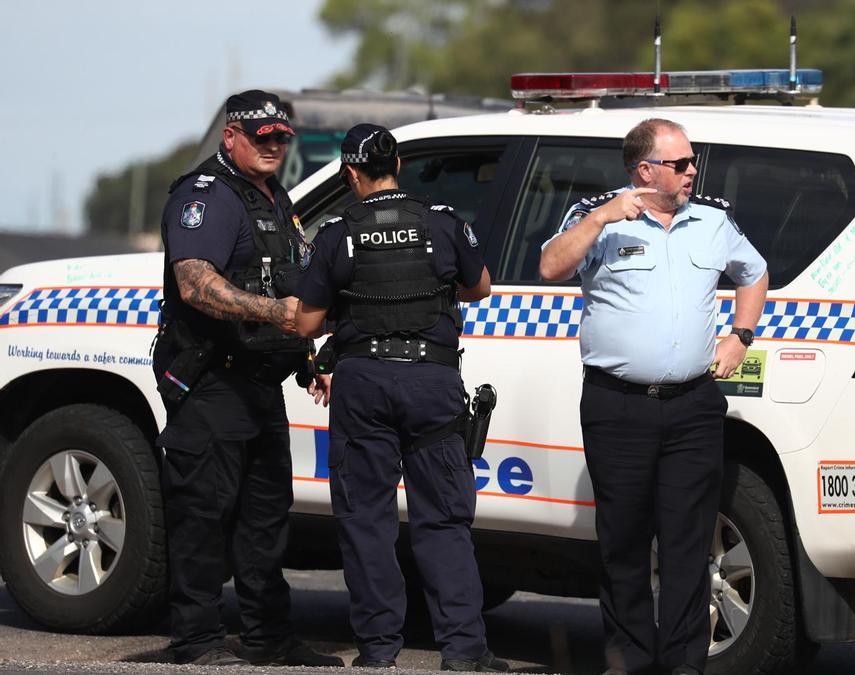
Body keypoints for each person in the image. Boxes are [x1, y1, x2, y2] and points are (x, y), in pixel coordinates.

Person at [539, 118, 769, 675]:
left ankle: (685, 666)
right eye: (681, 163)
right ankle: (632, 663)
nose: (693, 171)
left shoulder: (712, 221)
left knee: (689, 544)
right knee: (623, 545)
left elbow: (755, 272)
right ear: (645, 170)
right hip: (618, 406)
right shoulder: (601, 219)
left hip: (692, 406)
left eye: (693, 163)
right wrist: (600, 218)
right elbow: (549, 266)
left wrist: (740, 335)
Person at [295, 124, 507, 672]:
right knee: (443, 519)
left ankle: (378, 650)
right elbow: (480, 285)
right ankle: (463, 651)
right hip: (431, 383)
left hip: (363, 383)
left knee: (367, 519)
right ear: (397, 167)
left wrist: (348, 312)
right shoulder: (441, 222)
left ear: (350, 174)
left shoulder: (338, 232)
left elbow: (305, 324)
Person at [152, 90, 340, 667]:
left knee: (265, 521)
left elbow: (287, 277)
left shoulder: (274, 195)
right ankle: (199, 640)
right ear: (230, 135)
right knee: (202, 519)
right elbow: (194, 283)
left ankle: (268, 637)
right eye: (263, 138)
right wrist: (276, 313)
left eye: (282, 138)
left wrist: (305, 354)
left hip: (259, 385)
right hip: (213, 383)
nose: (274, 147)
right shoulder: (206, 196)